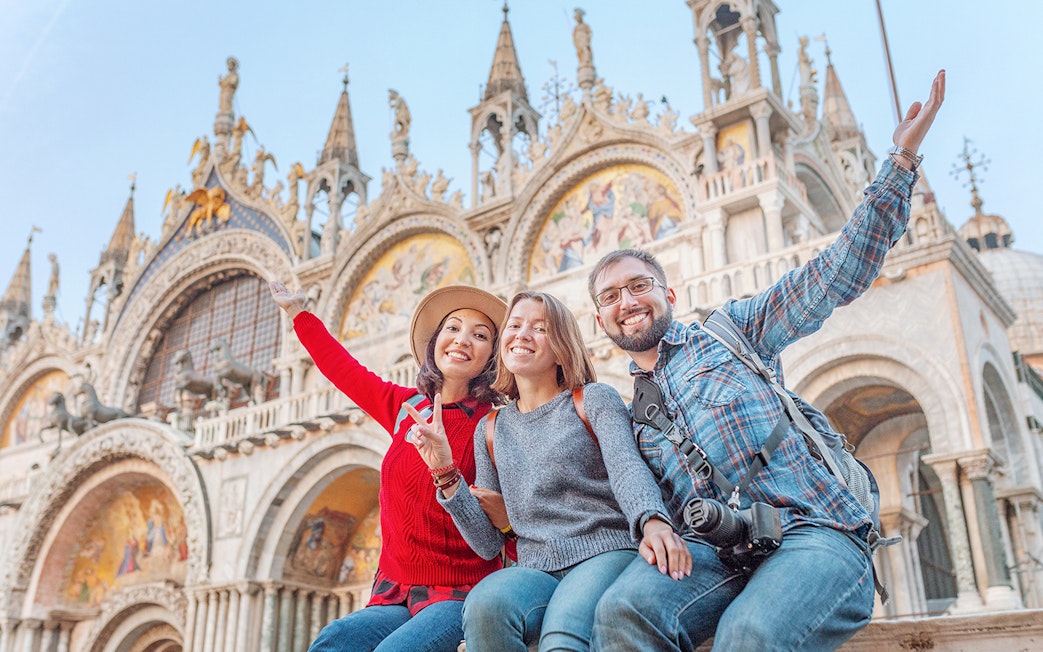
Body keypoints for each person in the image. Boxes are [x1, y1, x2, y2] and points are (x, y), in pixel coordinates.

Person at [588, 70, 945, 651]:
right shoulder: (633, 417)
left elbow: (834, 274)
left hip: (816, 533)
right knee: (621, 612)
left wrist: (900, 160)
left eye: (639, 286)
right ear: (600, 322)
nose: (627, 302)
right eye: (610, 297)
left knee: (749, 633)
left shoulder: (733, 331)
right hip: (721, 553)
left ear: (668, 294)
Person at [405, 291, 691, 651]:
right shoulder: (492, 428)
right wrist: (445, 473)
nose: (522, 334)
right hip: (535, 570)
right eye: (514, 325)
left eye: (539, 328)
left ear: (560, 348)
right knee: (485, 605)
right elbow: (487, 543)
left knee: (562, 635)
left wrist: (651, 520)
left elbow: (627, 469)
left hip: (605, 553)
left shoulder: (592, 399)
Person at [269, 281, 508, 652]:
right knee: (333, 642)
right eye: (453, 328)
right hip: (396, 591)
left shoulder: (496, 427)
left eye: (480, 335)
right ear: (435, 343)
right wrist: (300, 314)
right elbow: (344, 371)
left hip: (460, 595)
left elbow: (494, 538)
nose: (462, 340)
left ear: (491, 356)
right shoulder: (405, 408)